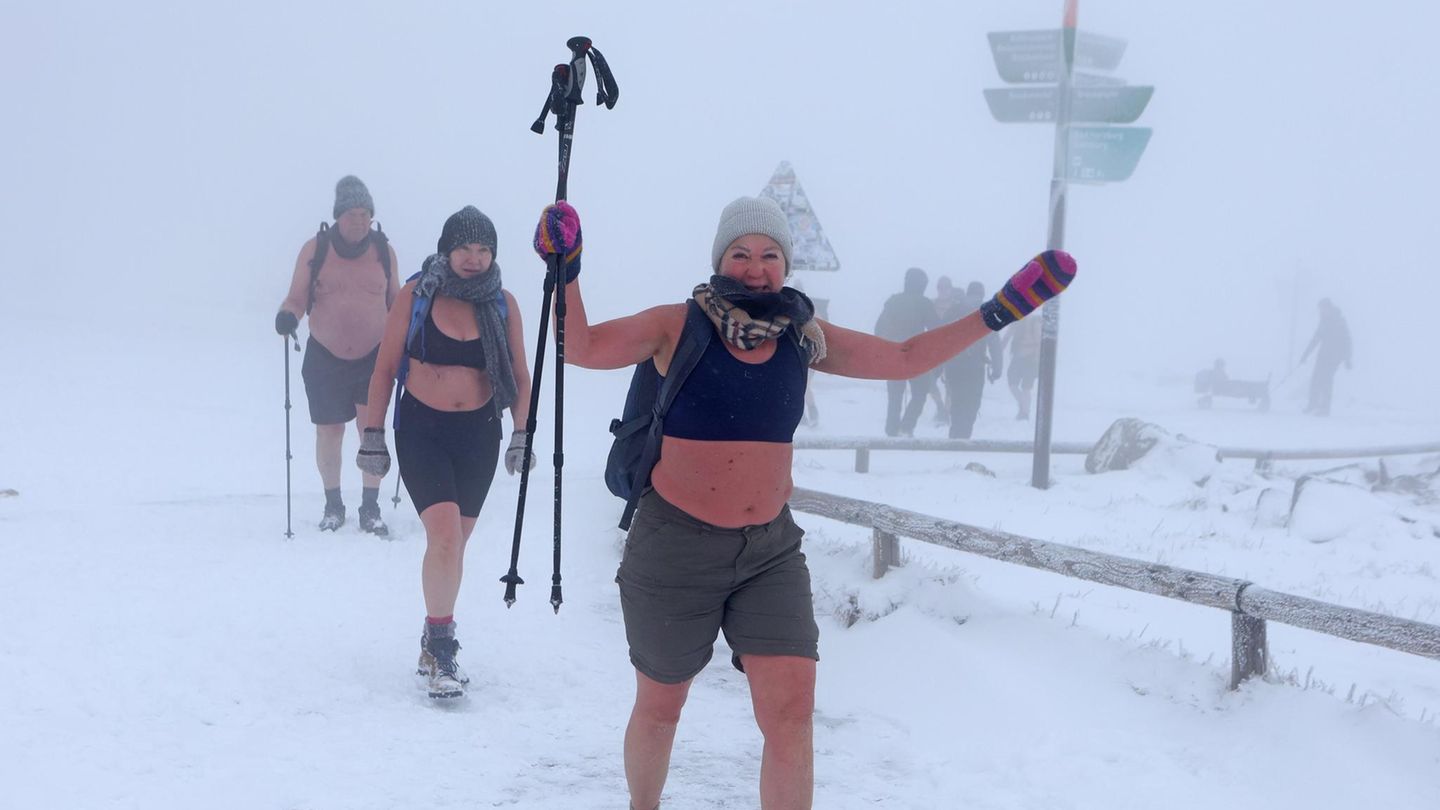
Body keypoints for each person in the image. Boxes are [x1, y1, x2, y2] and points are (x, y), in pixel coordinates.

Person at [532, 196, 1076, 810]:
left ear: (786, 264)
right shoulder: (676, 324)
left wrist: (998, 312)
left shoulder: (802, 335)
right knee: (662, 708)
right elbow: (580, 345)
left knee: (791, 714)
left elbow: (904, 360)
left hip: (769, 551)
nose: (755, 266)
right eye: (741, 253)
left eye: (769, 254)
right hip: (675, 545)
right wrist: (566, 267)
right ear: (720, 259)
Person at [355, 206, 534, 700]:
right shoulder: (418, 294)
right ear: (446, 249)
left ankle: (433, 629)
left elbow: (521, 376)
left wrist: (521, 433)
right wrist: (372, 434)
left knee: (455, 544)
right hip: (423, 429)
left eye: (483, 250)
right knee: (447, 540)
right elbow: (384, 367)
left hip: (479, 433)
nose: (474, 259)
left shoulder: (502, 303)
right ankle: (441, 644)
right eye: (464, 249)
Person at [275, 176, 400, 535]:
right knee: (329, 431)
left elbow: (396, 303)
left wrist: (407, 338)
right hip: (324, 356)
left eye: (365, 214)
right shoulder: (315, 250)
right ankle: (333, 505)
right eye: (351, 214)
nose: (359, 221)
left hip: (373, 356)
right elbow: (297, 297)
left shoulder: (383, 252)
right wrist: (287, 315)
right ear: (337, 216)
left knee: (370, 431)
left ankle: (370, 507)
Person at [874, 267, 939, 436]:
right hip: (917, 354)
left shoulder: (893, 302)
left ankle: (891, 430)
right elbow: (936, 329)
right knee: (920, 392)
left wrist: (884, 349)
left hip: (894, 353)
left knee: (895, 396)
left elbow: (879, 328)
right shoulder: (924, 303)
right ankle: (907, 426)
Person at [940, 281, 1003, 439]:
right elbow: (994, 342)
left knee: (957, 399)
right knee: (972, 401)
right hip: (975, 365)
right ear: (981, 294)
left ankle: (955, 435)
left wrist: (939, 365)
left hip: (953, 363)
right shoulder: (986, 311)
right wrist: (997, 369)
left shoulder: (953, 310)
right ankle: (965, 434)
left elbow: (941, 336)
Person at [1300, 297, 1352, 416]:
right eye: (1320, 309)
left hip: (1335, 357)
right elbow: (1316, 339)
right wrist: (1305, 355)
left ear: (1328, 307)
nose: (1321, 311)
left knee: (1326, 381)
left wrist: (1347, 359)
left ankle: (1325, 409)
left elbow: (1347, 340)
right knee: (1315, 379)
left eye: (1322, 308)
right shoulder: (1324, 321)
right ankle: (1312, 404)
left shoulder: (1339, 321)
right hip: (1323, 355)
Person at [926, 276, 959, 425]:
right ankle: (940, 407)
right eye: (940, 287)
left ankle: (946, 410)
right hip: (933, 348)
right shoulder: (930, 305)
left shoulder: (957, 306)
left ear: (951, 289)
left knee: (951, 382)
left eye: (946, 287)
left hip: (953, 348)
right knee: (929, 380)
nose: (943, 290)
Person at [1004, 309, 1042, 420]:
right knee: (1013, 384)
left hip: (1030, 359)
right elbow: (1007, 336)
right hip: (1019, 358)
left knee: (1026, 387)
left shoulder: (1034, 322)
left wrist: (1037, 359)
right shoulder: (1016, 322)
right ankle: (1024, 407)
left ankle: (1024, 413)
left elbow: (1039, 342)